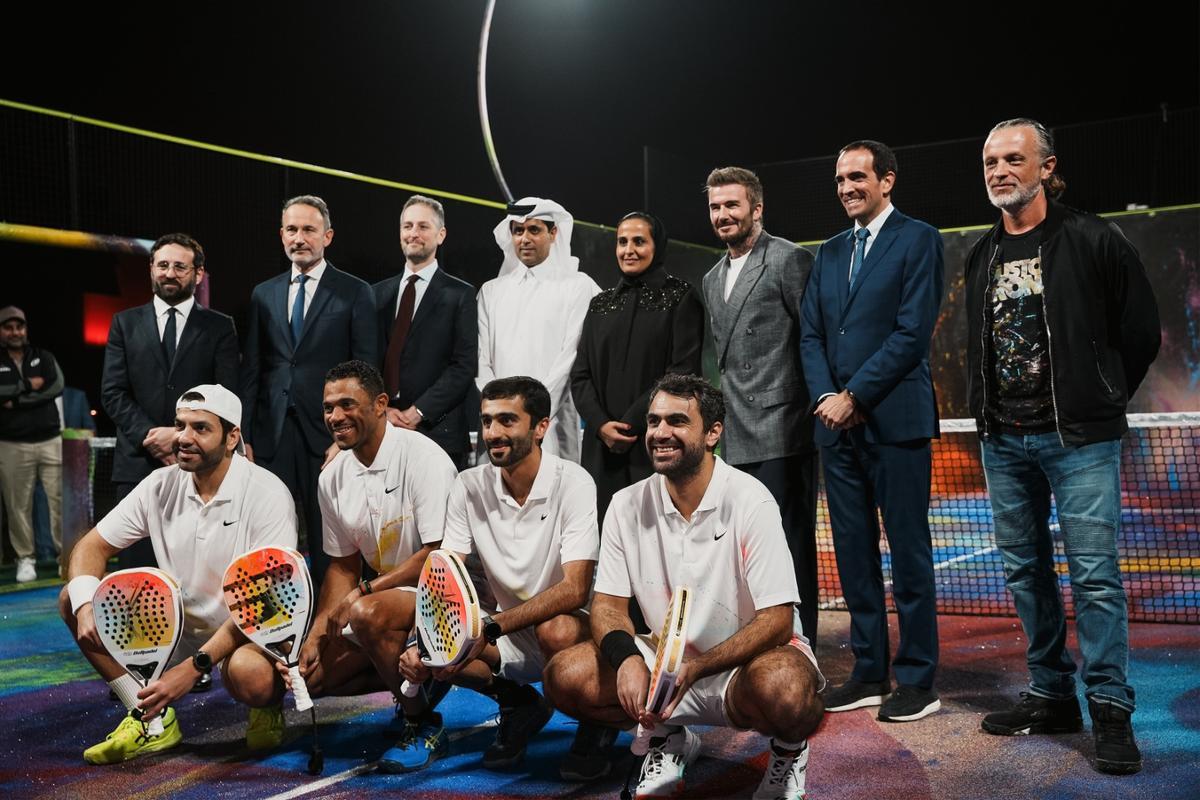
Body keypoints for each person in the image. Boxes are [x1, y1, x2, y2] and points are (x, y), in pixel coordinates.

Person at [965, 118, 1160, 775]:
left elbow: (1141, 333)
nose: (999, 170)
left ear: (1046, 167)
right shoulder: (981, 254)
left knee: (1096, 578)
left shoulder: (1093, 239)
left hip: (1078, 439)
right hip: (1004, 438)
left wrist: (1100, 398)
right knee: (1025, 574)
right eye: (991, 160)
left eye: (1014, 158)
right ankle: (1052, 696)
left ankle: (1109, 709)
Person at [543, 373, 825, 800]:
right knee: (565, 675)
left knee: (785, 687)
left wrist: (696, 668)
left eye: (676, 421)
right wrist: (625, 660)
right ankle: (669, 739)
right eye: (654, 421)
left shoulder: (751, 499)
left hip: (744, 666)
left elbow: (777, 620)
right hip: (666, 665)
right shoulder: (625, 504)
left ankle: (788, 751)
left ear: (713, 433)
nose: (659, 432)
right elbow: (607, 606)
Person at [58, 384, 298, 764]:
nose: (184, 438)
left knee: (249, 676)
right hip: (178, 622)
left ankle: (266, 706)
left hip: (246, 629)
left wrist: (193, 669)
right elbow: (91, 547)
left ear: (232, 436)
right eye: (180, 425)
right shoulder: (160, 484)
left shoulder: (268, 494)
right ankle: (149, 719)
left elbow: (262, 604)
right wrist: (87, 605)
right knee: (73, 597)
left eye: (200, 428)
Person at [399, 376, 612, 780]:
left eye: (507, 421)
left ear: (541, 427)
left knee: (557, 628)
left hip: (568, 630)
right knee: (438, 647)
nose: (493, 433)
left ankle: (594, 722)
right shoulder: (469, 484)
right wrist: (422, 643)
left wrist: (490, 627)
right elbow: (447, 574)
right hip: (505, 631)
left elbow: (575, 589)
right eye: (487, 421)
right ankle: (518, 704)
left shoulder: (574, 482)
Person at [254, 360, 459, 774]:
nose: (335, 416)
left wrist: (364, 593)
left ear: (381, 404)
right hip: (389, 598)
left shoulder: (423, 458)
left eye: (348, 404)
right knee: (312, 675)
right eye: (329, 407)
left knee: (365, 612)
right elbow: (343, 566)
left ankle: (422, 722)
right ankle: (411, 687)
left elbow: (439, 554)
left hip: (448, 590)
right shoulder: (332, 477)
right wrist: (314, 635)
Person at [799, 140, 944, 722]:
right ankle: (867, 673)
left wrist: (855, 396)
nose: (846, 187)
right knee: (854, 556)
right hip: (836, 430)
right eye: (839, 179)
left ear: (887, 181)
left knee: (908, 553)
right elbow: (810, 335)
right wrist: (827, 400)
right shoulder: (829, 251)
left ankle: (917, 680)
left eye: (857, 176)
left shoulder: (919, 238)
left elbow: (912, 333)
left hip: (897, 424)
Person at [700, 167, 820, 642]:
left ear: (756, 208)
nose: (723, 214)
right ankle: (757, 640)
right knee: (744, 550)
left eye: (732, 205)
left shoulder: (789, 259)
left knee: (790, 546)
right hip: (736, 435)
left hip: (784, 429)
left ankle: (802, 643)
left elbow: (813, 340)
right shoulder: (711, 278)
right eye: (715, 207)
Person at [240, 195, 379, 588]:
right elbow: (252, 369)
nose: (299, 238)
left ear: (327, 236)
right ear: (281, 235)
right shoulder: (262, 293)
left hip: (329, 439)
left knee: (331, 541)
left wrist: (348, 439)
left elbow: (365, 370)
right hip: (271, 437)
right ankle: (274, 632)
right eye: (291, 229)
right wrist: (245, 437)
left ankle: (332, 633)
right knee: (268, 539)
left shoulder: (355, 292)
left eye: (308, 230)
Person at [101, 233, 239, 575]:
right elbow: (112, 392)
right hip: (137, 464)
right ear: (151, 269)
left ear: (198, 273)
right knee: (136, 577)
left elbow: (226, 394)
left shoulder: (220, 327)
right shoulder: (124, 323)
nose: (170, 273)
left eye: (180, 266)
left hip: (201, 465)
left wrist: (180, 436)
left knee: (199, 571)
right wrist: (152, 435)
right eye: (162, 264)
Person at [570, 211, 704, 521]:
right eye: (622, 242)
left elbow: (681, 373)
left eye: (639, 241)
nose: (629, 250)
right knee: (607, 538)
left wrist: (631, 424)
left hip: (657, 442)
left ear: (657, 245)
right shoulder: (600, 304)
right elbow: (581, 375)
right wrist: (602, 425)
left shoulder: (681, 297)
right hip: (601, 447)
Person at [477, 198, 599, 462]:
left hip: (550, 423)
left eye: (534, 230)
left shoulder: (578, 286)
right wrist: (501, 413)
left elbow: (571, 358)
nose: (524, 239)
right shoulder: (491, 291)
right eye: (518, 231)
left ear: (553, 233)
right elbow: (480, 359)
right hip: (497, 424)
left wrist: (533, 414)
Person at [373, 195, 477, 470]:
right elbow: (367, 359)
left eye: (422, 226)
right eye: (407, 226)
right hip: (384, 428)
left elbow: (464, 366)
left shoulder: (461, 294)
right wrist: (382, 410)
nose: (413, 233)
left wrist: (418, 412)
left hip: (438, 431)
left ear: (440, 235)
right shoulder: (376, 294)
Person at [0, 306, 64, 583]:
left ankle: (68, 557)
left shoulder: (43, 357)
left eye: (20, 326)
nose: (16, 332)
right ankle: (26, 558)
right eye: (9, 327)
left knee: (60, 501)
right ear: (1, 331)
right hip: (12, 444)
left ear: (26, 329)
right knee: (18, 506)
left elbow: (56, 386)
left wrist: (15, 401)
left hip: (50, 440)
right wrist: (29, 385)